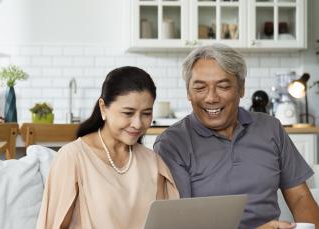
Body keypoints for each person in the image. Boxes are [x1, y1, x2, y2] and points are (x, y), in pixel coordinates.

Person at [154, 44, 319, 229]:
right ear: (188, 93)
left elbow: (299, 197)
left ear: (241, 89)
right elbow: (178, 224)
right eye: (200, 88)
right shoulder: (172, 143)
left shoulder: (270, 128)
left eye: (223, 86)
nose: (211, 98)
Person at [37, 66, 179, 229]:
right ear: (103, 108)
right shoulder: (73, 158)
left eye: (146, 113)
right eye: (128, 113)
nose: (138, 123)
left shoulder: (152, 162)